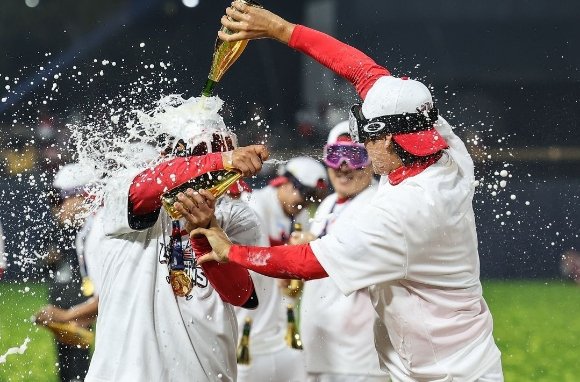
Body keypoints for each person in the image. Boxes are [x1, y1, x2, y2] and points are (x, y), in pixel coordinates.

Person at [191, 4, 504, 381]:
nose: (361, 150)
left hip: (447, 374)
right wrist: (280, 29)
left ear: (387, 138)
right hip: (441, 359)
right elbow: (359, 68)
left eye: (365, 138)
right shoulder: (444, 146)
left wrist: (230, 251)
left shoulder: (406, 213)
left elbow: (308, 262)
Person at [84, 125, 269, 382]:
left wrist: (206, 231)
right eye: (200, 157)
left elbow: (242, 295)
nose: (212, 177)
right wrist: (219, 161)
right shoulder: (125, 193)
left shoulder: (237, 217)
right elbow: (145, 189)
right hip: (126, 373)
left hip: (205, 373)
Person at [288, 121, 388, 382]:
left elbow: (362, 256)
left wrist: (311, 247)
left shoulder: (381, 202)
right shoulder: (329, 203)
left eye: (355, 155)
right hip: (319, 346)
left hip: (359, 356)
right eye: (335, 155)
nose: (343, 166)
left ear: (371, 159)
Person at [231, 156, 326, 382]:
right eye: (302, 192)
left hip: (279, 323)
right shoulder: (254, 204)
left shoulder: (298, 211)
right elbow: (250, 261)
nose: (305, 201)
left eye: (311, 196)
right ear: (283, 183)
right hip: (249, 321)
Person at [38, 163, 94, 382]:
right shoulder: (60, 230)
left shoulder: (99, 234)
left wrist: (71, 314)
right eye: (53, 200)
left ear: (83, 196)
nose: (56, 207)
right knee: (68, 367)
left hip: (84, 305)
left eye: (59, 199)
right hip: (68, 301)